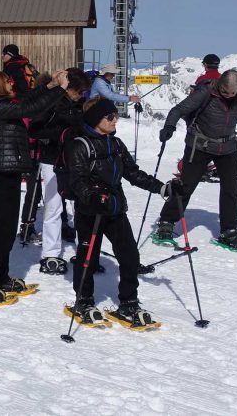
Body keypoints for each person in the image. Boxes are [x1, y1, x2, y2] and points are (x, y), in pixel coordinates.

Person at [0, 69, 69, 302]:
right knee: (0, 231)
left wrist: (49, 87)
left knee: (7, 230)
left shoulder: (2, 103)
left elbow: (26, 100)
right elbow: (29, 109)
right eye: (6, 81)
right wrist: (60, 89)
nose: (11, 82)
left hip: (8, 170)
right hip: (0, 173)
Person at [66, 97, 171, 327]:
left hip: (114, 209)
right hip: (90, 212)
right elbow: (77, 180)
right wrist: (91, 197)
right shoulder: (79, 145)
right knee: (87, 260)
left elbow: (133, 173)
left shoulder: (116, 144)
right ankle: (83, 300)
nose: (115, 120)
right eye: (110, 117)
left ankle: (129, 302)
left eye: (115, 116)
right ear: (96, 119)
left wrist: (162, 187)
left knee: (130, 256)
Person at [155, 70, 237, 249]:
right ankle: (167, 222)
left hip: (228, 148)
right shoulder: (206, 92)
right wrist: (169, 127)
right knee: (186, 185)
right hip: (199, 146)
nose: (228, 96)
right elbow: (178, 109)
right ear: (220, 85)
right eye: (225, 92)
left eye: (232, 93)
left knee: (231, 191)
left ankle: (229, 231)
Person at [28, 68, 92, 274]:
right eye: (79, 92)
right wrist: (62, 133)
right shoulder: (53, 102)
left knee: (82, 205)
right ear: (70, 88)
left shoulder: (81, 106)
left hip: (77, 160)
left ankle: (85, 251)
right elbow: (35, 129)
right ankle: (51, 254)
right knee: (53, 207)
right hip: (52, 159)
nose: (81, 96)